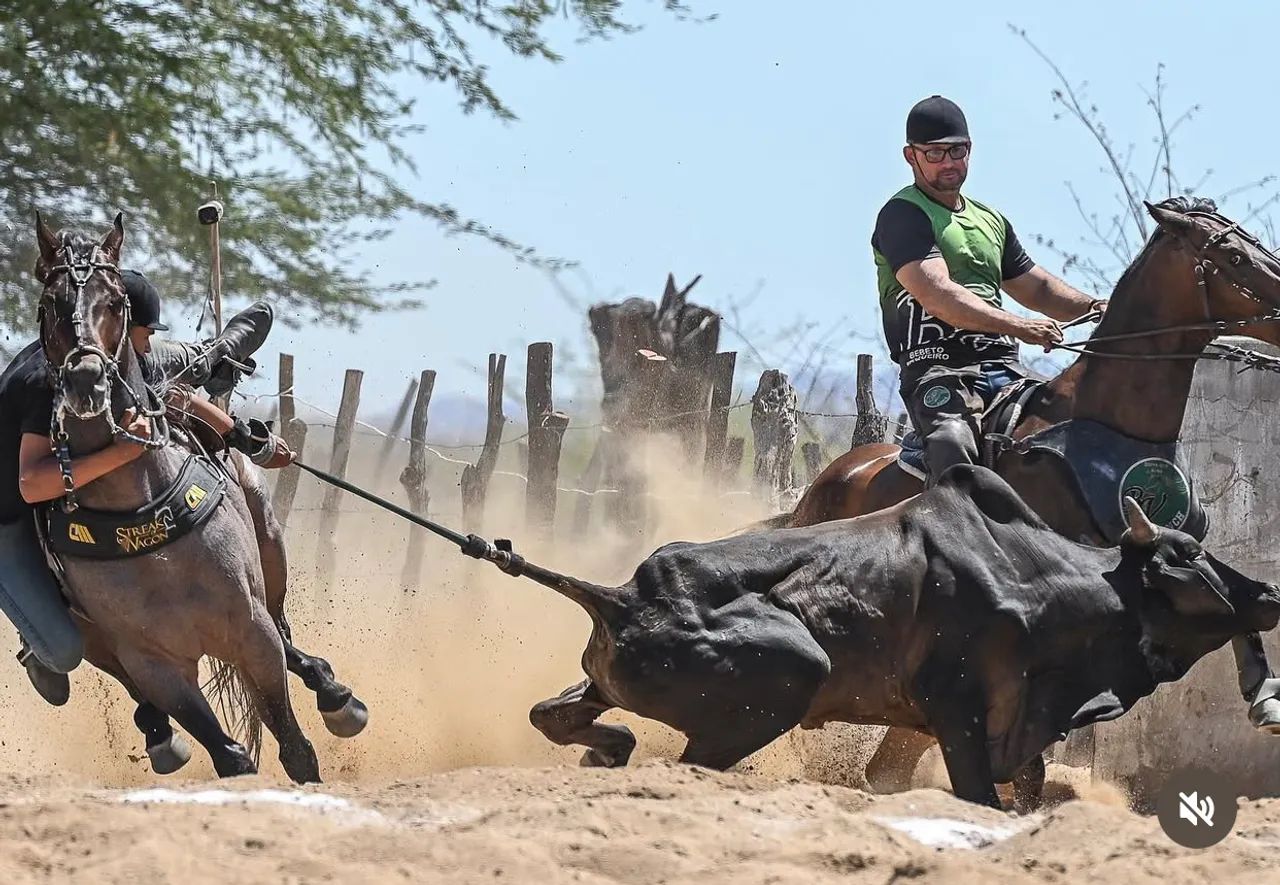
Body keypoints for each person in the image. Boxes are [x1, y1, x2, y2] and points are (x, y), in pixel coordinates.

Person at [0, 269, 290, 705]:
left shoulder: (119, 357)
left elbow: (172, 391)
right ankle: (36, 641)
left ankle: (222, 351)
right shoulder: (48, 384)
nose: (149, 343)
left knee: (187, 362)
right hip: (11, 512)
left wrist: (245, 438)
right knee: (64, 651)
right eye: (145, 333)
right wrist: (119, 456)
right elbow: (31, 484)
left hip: (55, 477)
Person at [872, 95, 1105, 486]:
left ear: (970, 150)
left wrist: (1097, 306)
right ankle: (952, 540)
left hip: (1005, 371)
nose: (949, 162)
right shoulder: (902, 214)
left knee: (1071, 422)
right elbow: (938, 295)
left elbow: (1038, 288)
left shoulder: (990, 220)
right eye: (935, 154)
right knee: (952, 441)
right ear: (911, 156)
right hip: (938, 369)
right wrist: (1021, 326)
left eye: (957, 151)